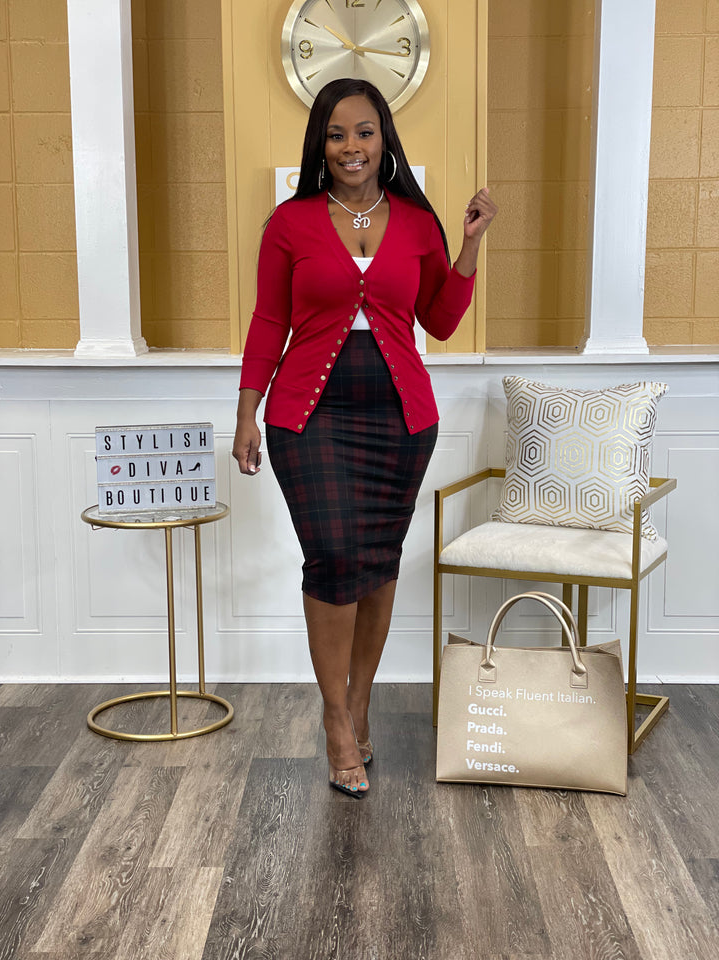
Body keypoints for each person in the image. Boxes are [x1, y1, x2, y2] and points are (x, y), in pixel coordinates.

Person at [233, 78, 496, 798]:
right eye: (337, 134)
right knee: (335, 555)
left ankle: (360, 702)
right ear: (321, 144)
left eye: (365, 132)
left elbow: (439, 321)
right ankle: (335, 722)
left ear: (385, 139)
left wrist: (469, 245)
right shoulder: (289, 224)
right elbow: (267, 323)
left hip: (398, 416)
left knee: (377, 561)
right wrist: (246, 411)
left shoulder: (416, 221)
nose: (352, 147)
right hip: (307, 413)